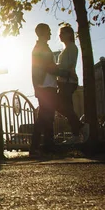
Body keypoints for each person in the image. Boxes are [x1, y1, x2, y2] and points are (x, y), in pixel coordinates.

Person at [30, 23, 71, 156]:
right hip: (46, 87)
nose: (51, 34)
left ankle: (46, 145)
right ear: (42, 33)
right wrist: (67, 73)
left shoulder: (42, 48)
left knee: (46, 117)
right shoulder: (42, 49)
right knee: (44, 117)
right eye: (48, 31)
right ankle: (39, 146)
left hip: (46, 86)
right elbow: (50, 68)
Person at [56, 25, 87, 144]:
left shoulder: (72, 48)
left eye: (62, 33)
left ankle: (78, 131)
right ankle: (78, 130)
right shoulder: (67, 48)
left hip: (68, 81)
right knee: (64, 107)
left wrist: (55, 68)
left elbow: (69, 66)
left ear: (69, 34)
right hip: (64, 81)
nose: (60, 36)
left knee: (63, 106)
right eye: (59, 33)